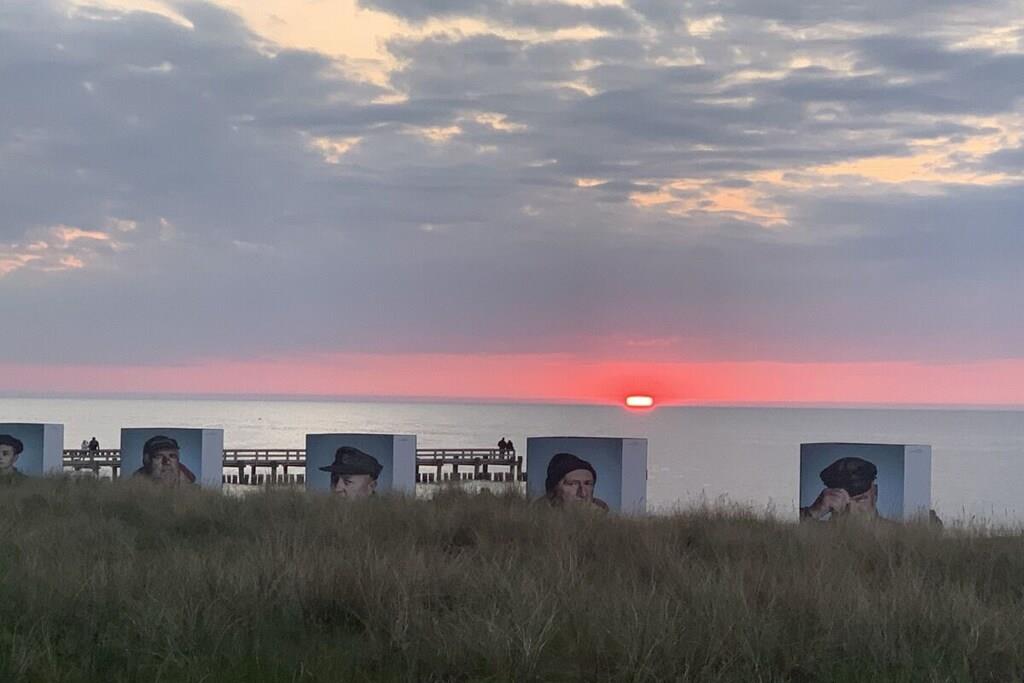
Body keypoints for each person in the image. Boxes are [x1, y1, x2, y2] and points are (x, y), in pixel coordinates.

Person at [800, 456, 879, 521]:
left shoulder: (887, 531)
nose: (851, 511)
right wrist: (813, 512)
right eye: (840, 499)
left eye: (860, 500)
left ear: (875, 493)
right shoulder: (817, 531)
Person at [543, 451, 609, 511]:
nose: (583, 493)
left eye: (587, 484)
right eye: (572, 484)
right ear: (553, 490)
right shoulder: (538, 518)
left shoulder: (604, 516)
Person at [132, 435, 196, 485]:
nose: (167, 462)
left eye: (172, 456)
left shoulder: (196, 493)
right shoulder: (131, 491)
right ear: (147, 461)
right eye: (159, 456)